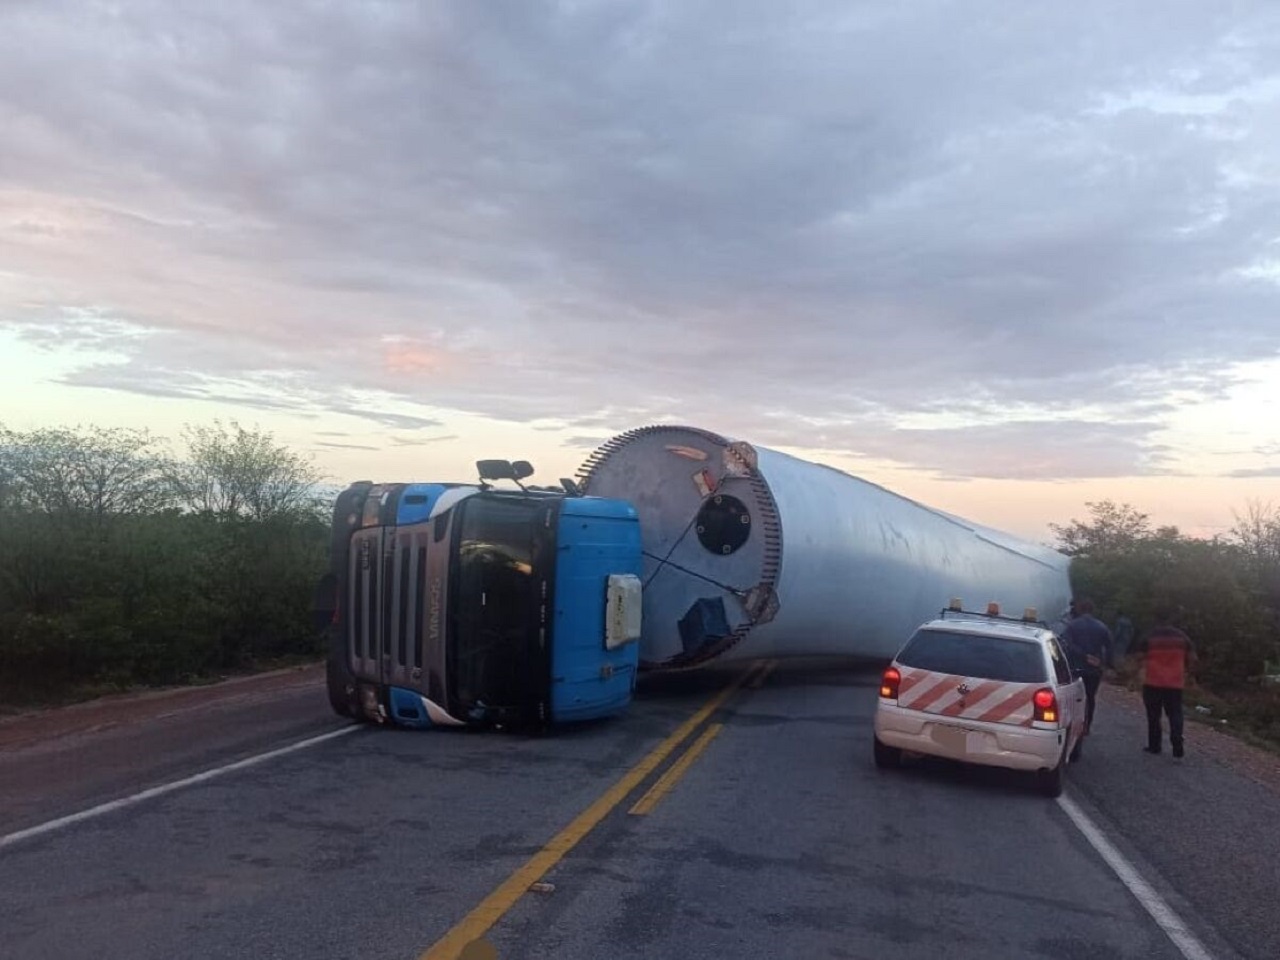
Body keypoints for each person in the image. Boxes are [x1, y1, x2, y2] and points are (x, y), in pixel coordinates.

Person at [1132, 610, 1197, 758]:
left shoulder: (1150, 636)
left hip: (1153, 681)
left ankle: (1155, 746)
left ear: (1157, 620)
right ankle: (1176, 740)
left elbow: (1139, 657)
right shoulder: (1182, 637)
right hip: (1175, 683)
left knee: (1154, 715)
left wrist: (1138, 671)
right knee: (1175, 713)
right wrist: (1188, 673)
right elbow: (1193, 658)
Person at [1059, 597, 1112, 735]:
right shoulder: (1102, 627)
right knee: (1090, 697)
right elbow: (1110, 648)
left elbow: (1066, 645)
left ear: (1080, 610)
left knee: (1073, 697)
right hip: (1094, 670)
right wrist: (1103, 663)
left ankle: (1071, 723)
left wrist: (1083, 656)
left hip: (1075, 668)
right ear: (1092, 610)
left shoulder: (1072, 626)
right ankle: (1086, 726)